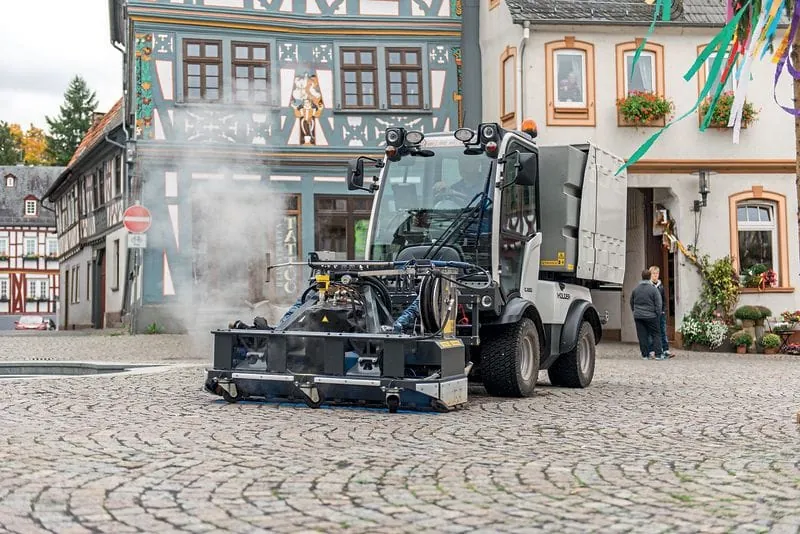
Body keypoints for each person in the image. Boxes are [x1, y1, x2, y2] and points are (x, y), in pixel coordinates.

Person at [630, 268, 666, 360]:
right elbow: (659, 303)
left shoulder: (635, 289)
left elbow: (631, 302)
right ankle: (658, 354)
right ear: (649, 277)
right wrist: (658, 314)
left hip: (638, 316)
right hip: (651, 316)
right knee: (656, 334)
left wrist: (635, 311)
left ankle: (645, 355)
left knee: (642, 336)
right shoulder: (653, 290)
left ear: (642, 277)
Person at [649, 265, 673, 359]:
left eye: (657, 273)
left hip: (660, 313)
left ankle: (665, 349)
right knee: (651, 333)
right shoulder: (649, 286)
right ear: (650, 275)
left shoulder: (660, 286)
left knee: (662, 331)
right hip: (651, 314)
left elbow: (663, 299)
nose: (655, 275)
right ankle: (652, 350)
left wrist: (663, 310)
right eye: (654, 273)